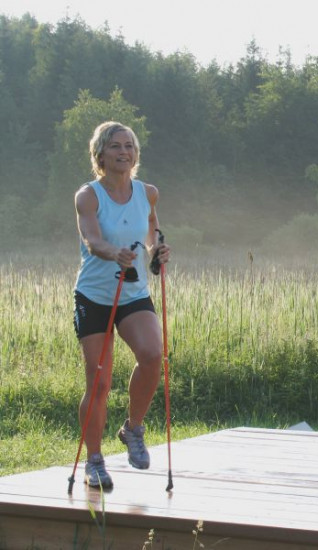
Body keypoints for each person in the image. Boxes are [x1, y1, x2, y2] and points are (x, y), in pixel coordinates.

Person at [73, 121, 171, 489]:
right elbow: (91, 239)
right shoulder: (88, 196)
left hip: (132, 292)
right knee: (99, 382)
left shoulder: (148, 192)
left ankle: (133, 428)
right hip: (94, 296)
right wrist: (113, 252)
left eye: (129, 145)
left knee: (152, 355)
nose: (123, 152)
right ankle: (94, 460)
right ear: (100, 154)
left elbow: (151, 228)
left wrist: (156, 248)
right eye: (115, 146)